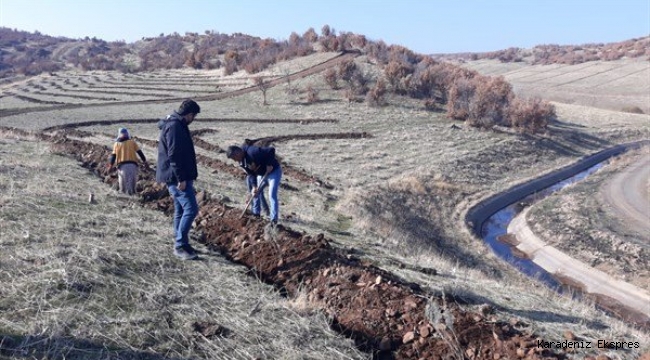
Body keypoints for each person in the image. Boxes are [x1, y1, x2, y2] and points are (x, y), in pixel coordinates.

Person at [156, 99, 201, 260]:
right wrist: (181, 178)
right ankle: (180, 245)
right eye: (194, 116)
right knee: (191, 209)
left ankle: (182, 241)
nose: (193, 119)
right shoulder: (175, 126)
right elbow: (173, 155)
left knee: (181, 210)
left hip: (178, 175)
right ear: (189, 114)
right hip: (176, 177)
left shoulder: (176, 124)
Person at [226, 143, 282, 224]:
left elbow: (271, 150)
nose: (235, 160)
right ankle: (256, 214)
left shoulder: (253, 151)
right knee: (255, 193)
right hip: (261, 174)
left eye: (234, 158)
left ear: (238, 152)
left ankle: (274, 220)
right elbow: (251, 174)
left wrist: (269, 164)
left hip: (273, 172)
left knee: (271, 194)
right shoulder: (242, 162)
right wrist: (254, 186)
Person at [108, 127, 148, 195]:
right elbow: (140, 152)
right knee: (132, 183)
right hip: (133, 165)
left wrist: (110, 166)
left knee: (123, 184)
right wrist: (145, 161)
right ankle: (133, 196)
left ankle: (125, 197)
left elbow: (113, 156)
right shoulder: (132, 142)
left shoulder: (116, 144)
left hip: (122, 167)